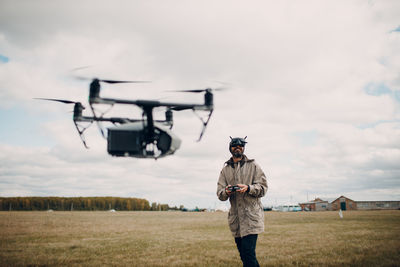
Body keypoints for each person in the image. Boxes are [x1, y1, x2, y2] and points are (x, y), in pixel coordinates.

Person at [217, 136, 268, 267]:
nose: (237, 148)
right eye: (234, 146)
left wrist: (248, 188)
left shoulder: (254, 166)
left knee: (248, 253)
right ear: (230, 148)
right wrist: (226, 192)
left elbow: (263, 188)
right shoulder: (225, 170)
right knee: (244, 256)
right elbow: (220, 193)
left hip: (251, 217)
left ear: (244, 148)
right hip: (236, 219)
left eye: (240, 146)